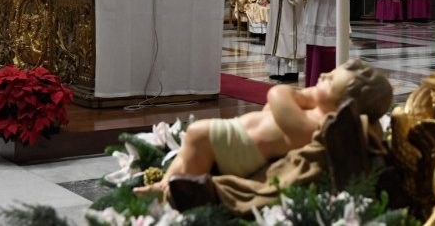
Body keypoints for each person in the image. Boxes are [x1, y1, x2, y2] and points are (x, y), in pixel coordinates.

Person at [134, 59, 394, 197]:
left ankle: (175, 190)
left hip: (245, 151)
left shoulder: (319, 124)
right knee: (195, 140)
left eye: (329, 81)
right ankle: (168, 184)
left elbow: (278, 98)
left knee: (198, 135)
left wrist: (291, 95)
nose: (322, 76)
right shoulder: (311, 109)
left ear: (344, 104)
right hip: (240, 138)